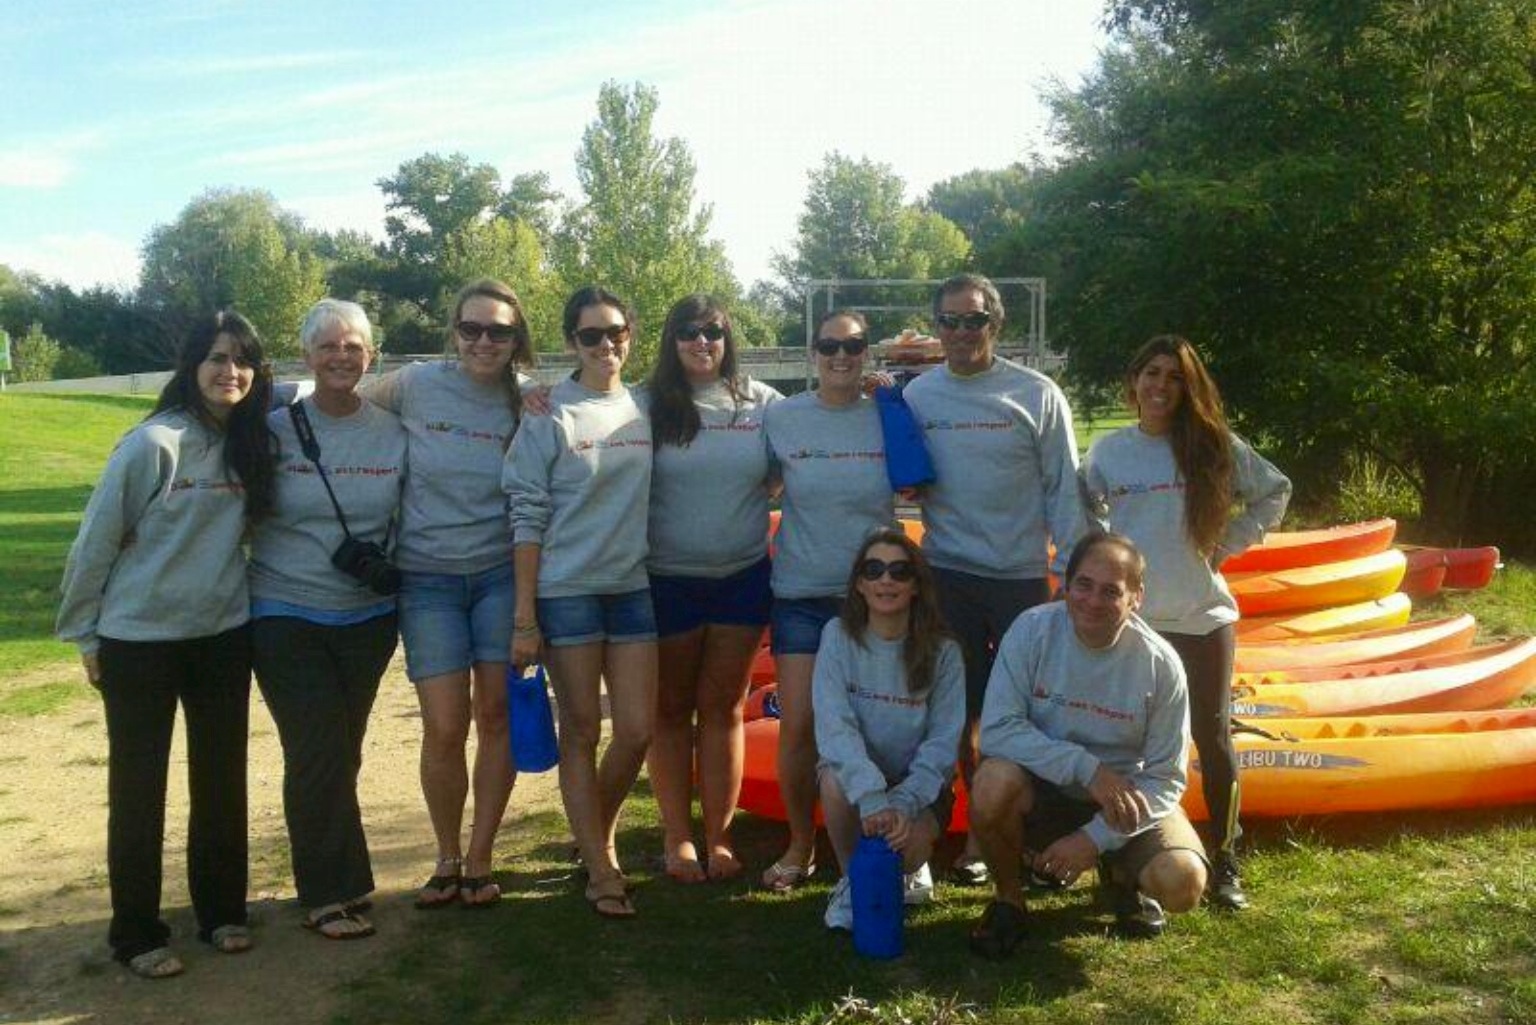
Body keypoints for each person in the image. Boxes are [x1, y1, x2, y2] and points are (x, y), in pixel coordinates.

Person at [56, 311, 277, 978]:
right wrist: (84, 632)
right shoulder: (153, 443)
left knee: (220, 781)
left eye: (241, 358)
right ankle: (136, 932)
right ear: (191, 366)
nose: (228, 370)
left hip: (221, 637)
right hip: (138, 641)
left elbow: (339, 384)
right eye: (215, 357)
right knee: (139, 788)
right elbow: (95, 542)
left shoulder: (251, 441)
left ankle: (221, 911)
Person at [1081, 335, 1290, 910]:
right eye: (1151, 373)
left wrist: (1228, 544)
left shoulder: (1212, 445)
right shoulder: (1109, 452)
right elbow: (1079, 507)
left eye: (1173, 377)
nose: (1160, 387)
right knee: (1129, 748)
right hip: (1137, 626)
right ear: (1134, 382)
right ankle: (1126, 868)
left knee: (1213, 737)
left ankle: (1225, 859)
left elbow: (1275, 491)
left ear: (1187, 387)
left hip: (1203, 617)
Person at [899, 273, 1086, 886]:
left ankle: (1014, 832)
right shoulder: (920, 396)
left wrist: (1068, 575)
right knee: (952, 711)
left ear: (995, 325)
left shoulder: (1036, 394)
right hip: (948, 575)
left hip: (1021, 580)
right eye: (948, 321)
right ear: (937, 328)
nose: (959, 332)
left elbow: (1064, 489)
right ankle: (957, 826)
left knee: (1022, 713)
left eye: (972, 320)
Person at [362, 278, 536, 909]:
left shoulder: (528, 402)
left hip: (497, 575)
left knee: (495, 717)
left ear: (518, 339)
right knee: (443, 724)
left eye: (499, 331)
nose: (484, 341)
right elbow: (344, 411)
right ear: (453, 332)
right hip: (426, 577)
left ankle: (482, 855)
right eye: (472, 329)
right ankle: (446, 854)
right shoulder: (412, 384)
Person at [966, 532, 1207, 959]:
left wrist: (1093, 838)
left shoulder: (1162, 665)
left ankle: (1121, 878)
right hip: (1046, 791)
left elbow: (1167, 778)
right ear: (1066, 583)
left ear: (1136, 598)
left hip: (1123, 803)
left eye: (1112, 591)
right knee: (990, 782)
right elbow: (998, 731)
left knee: (1183, 883)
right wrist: (1087, 769)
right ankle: (1009, 901)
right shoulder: (1031, 631)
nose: (1093, 601)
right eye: (1083, 584)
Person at [249, 299, 406, 939]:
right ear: (307, 354)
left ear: (372, 356)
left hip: (368, 618)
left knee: (343, 749)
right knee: (316, 748)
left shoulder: (394, 430)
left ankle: (335, 872)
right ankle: (329, 892)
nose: (341, 356)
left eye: (354, 346)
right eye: (328, 346)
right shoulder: (271, 430)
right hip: (284, 610)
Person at [504, 286, 657, 919]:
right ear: (572, 342)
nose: (605, 344)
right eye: (590, 335)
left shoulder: (645, 406)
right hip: (566, 591)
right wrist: (524, 617)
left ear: (630, 336)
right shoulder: (547, 413)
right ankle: (601, 867)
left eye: (615, 332)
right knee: (583, 732)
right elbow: (526, 515)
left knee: (638, 730)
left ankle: (592, 827)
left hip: (631, 587)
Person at [642, 294, 781, 883]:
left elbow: (791, 461)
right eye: (690, 333)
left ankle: (719, 837)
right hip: (667, 578)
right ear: (672, 341)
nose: (703, 343)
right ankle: (679, 838)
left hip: (741, 578)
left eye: (714, 332)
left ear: (729, 340)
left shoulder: (761, 403)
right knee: (669, 710)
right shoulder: (645, 405)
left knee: (723, 707)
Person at [759, 309, 896, 892]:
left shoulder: (889, 416)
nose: (841, 356)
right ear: (811, 351)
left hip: (874, 595)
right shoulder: (781, 417)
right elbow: (744, 477)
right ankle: (800, 842)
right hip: (802, 594)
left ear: (867, 352)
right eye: (829, 345)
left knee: (880, 721)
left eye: (854, 345)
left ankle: (884, 834)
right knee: (799, 725)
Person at [814, 529, 964, 931]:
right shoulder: (837, 636)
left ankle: (911, 867)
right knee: (831, 778)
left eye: (900, 571)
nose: (886, 580)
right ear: (860, 584)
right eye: (874, 569)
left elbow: (943, 744)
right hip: (862, 780)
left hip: (917, 786)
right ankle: (853, 880)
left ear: (916, 586)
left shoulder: (944, 652)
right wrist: (872, 797)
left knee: (908, 851)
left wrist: (903, 803)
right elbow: (834, 727)